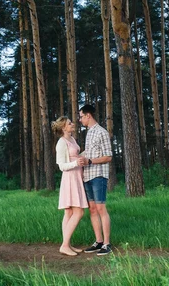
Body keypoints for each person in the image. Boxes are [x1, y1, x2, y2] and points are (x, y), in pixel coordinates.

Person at [77, 104, 113, 256]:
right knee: (92, 209)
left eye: (81, 116)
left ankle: (107, 244)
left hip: (98, 175)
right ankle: (98, 241)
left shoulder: (101, 132)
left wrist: (90, 161)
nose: (79, 120)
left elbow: (108, 156)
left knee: (100, 209)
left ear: (88, 116)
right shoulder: (89, 133)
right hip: (87, 176)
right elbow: (89, 153)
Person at [52, 116, 88, 256]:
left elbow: (76, 156)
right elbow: (61, 166)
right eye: (69, 123)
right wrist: (76, 164)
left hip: (77, 177)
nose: (73, 124)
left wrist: (87, 152)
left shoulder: (72, 139)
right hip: (70, 178)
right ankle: (65, 245)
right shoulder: (61, 143)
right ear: (63, 128)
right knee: (78, 212)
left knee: (69, 212)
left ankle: (67, 244)